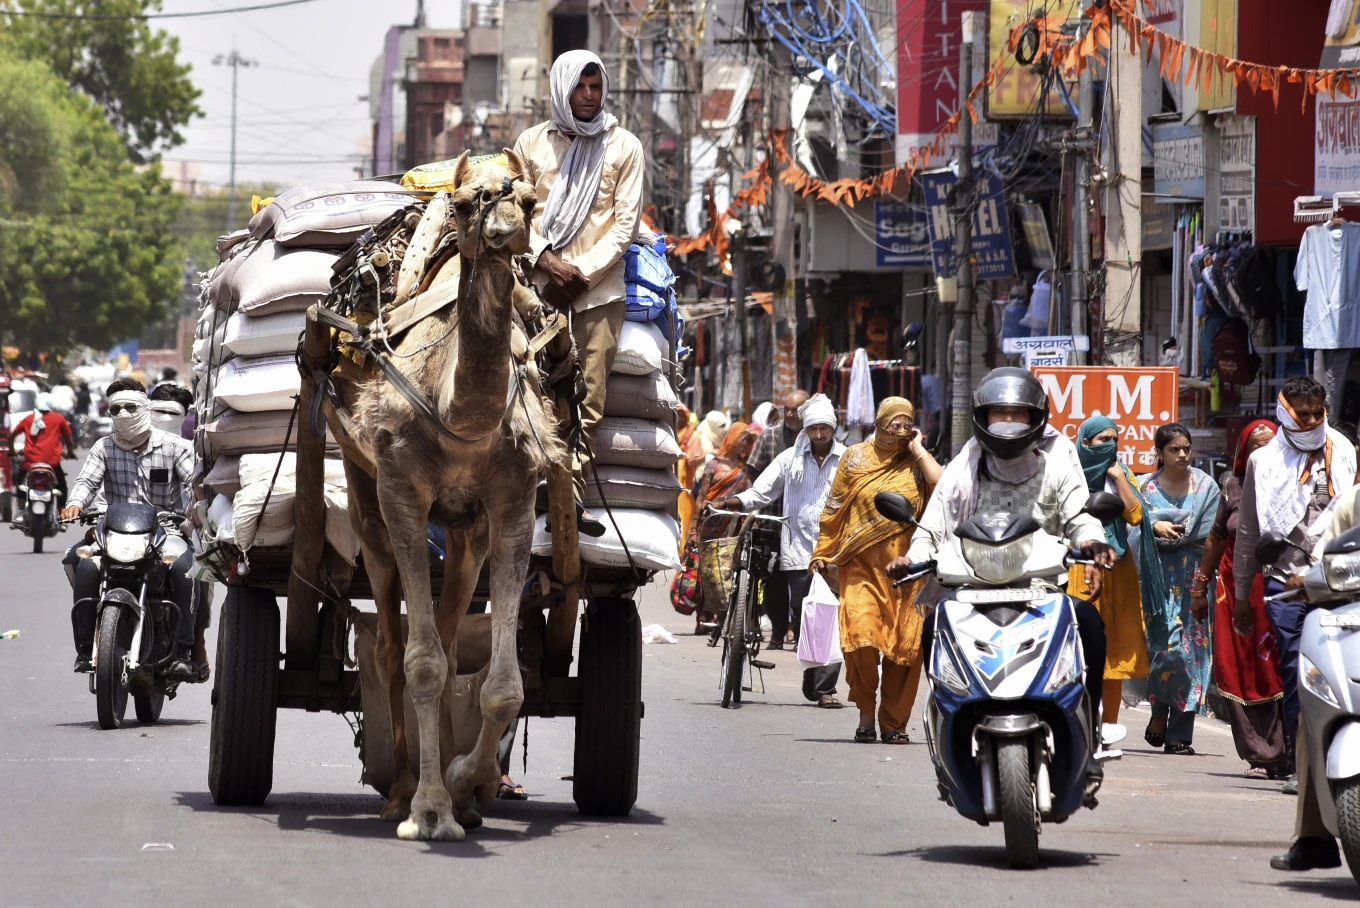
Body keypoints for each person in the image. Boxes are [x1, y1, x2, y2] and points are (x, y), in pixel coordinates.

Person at [890, 368, 1115, 744]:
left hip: (1041, 591)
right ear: (983, 417)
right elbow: (934, 524)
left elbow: (1080, 513)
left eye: (1019, 414)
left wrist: (1092, 541)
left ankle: (1089, 729)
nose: (1009, 423)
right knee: (933, 629)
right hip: (971, 593)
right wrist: (912, 557)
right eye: (1000, 413)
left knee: (1089, 624)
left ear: (1035, 417)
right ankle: (949, 731)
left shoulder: (1058, 459)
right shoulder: (966, 463)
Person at [512, 50, 645, 520]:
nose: (588, 97)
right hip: (535, 290)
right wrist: (546, 261)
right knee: (527, 390)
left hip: (599, 292)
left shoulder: (624, 146)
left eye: (595, 87)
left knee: (587, 397)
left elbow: (625, 226)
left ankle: (570, 495)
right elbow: (515, 216)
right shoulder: (530, 144)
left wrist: (578, 275)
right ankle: (521, 493)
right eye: (579, 87)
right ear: (561, 88)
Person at [1235, 378, 1357, 792]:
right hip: (1285, 585)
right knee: (1296, 672)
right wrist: (1240, 596)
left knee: (1343, 671)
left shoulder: (1343, 450)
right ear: (1285, 410)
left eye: (1315, 413)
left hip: (1338, 583)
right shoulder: (1263, 462)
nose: (1309, 420)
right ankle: (1298, 765)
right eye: (1301, 413)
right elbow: (1249, 532)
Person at [810, 397, 943, 741]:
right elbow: (835, 508)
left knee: (905, 651)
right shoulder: (854, 458)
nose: (900, 431)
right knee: (861, 640)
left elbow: (943, 487)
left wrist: (917, 450)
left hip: (910, 572)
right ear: (880, 424)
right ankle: (866, 716)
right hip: (861, 569)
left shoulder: (916, 462)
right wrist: (823, 553)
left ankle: (894, 725)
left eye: (906, 424)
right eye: (893, 425)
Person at [59, 379, 200, 678]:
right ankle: (86, 648)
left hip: (164, 533)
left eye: (130, 407)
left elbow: (195, 485)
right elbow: (86, 482)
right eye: (116, 409)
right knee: (81, 562)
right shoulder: (103, 447)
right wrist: (74, 503)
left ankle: (183, 651)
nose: (123, 414)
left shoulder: (176, 447)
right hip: (113, 534)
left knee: (187, 568)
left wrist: (197, 510)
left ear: (145, 409)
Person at [716, 394, 847, 706]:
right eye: (813, 429)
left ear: (832, 428)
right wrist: (733, 502)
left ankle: (825, 688)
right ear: (806, 428)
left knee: (833, 618)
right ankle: (813, 673)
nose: (819, 435)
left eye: (824, 429)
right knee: (804, 614)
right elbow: (762, 491)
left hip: (836, 551)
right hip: (799, 549)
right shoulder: (791, 459)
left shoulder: (848, 459)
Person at [1270, 477, 1360, 872]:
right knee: (1318, 708)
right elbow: (1324, 560)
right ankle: (1314, 836)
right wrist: (1305, 579)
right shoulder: (1352, 503)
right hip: (1353, 622)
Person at [1193, 420, 1289, 778]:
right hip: (1233, 593)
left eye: (1270, 446)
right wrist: (1199, 588)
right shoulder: (1232, 487)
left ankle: (1289, 750)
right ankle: (1261, 755)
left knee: (1280, 665)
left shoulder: (1291, 485)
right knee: (1239, 667)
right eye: (1255, 447)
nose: (1262, 454)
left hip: (1279, 588)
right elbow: (1216, 539)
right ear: (1242, 453)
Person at [1067, 416, 1154, 749]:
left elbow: (1135, 515)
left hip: (1118, 568)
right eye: (1102, 439)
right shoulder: (1071, 474)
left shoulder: (1121, 473)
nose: (1109, 445)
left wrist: (1118, 477)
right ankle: (1076, 724)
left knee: (1113, 650)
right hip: (1079, 566)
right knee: (1078, 645)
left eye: (1114, 439)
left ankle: (1108, 727)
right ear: (1085, 442)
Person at [1136, 424, 1221, 755]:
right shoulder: (1142, 487)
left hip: (1193, 578)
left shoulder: (1206, 487)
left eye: (1187, 448)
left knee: (1191, 654)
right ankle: (1159, 713)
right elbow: (1133, 525)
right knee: (1162, 650)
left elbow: (1212, 535)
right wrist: (1152, 524)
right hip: (1155, 578)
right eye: (1175, 449)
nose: (1183, 454)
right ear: (1159, 452)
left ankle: (1180, 733)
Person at [741, 389, 808, 647]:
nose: (790, 414)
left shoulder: (814, 438)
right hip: (772, 522)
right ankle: (779, 632)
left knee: (802, 585)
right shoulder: (769, 437)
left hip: (804, 526)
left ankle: (802, 635)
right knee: (772, 584)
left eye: (796, 410)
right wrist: (753, 508)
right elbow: (752, 473)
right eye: (787, 409)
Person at [689, 422, 757, 629]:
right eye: (743, 441)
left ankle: (723, 616)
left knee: (726, 569)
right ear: (733, 439)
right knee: (707, 570)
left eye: (748, 442)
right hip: (710, 523)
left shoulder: (746, 468)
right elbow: (701, 497)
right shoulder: (713, 465)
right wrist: (695, 527)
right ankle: (703, 616)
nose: (745, 445)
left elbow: (751, 496)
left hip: (733, 525)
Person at [9, 392, 76, 512]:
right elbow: (68, 438)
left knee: (19, 484)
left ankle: (20, 509)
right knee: (62, 487)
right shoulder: (58, 418)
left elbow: (12, 435)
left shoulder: (29, 419)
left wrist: (11, 450)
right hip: (52, 463)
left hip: (30, 463)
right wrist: (70, 451)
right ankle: (61, 512)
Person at [745, 390, 808, 482]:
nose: (788, 414)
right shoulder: (769, 435)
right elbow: (752, 470)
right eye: (786, 409)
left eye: (794, 410)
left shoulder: (814, 436)